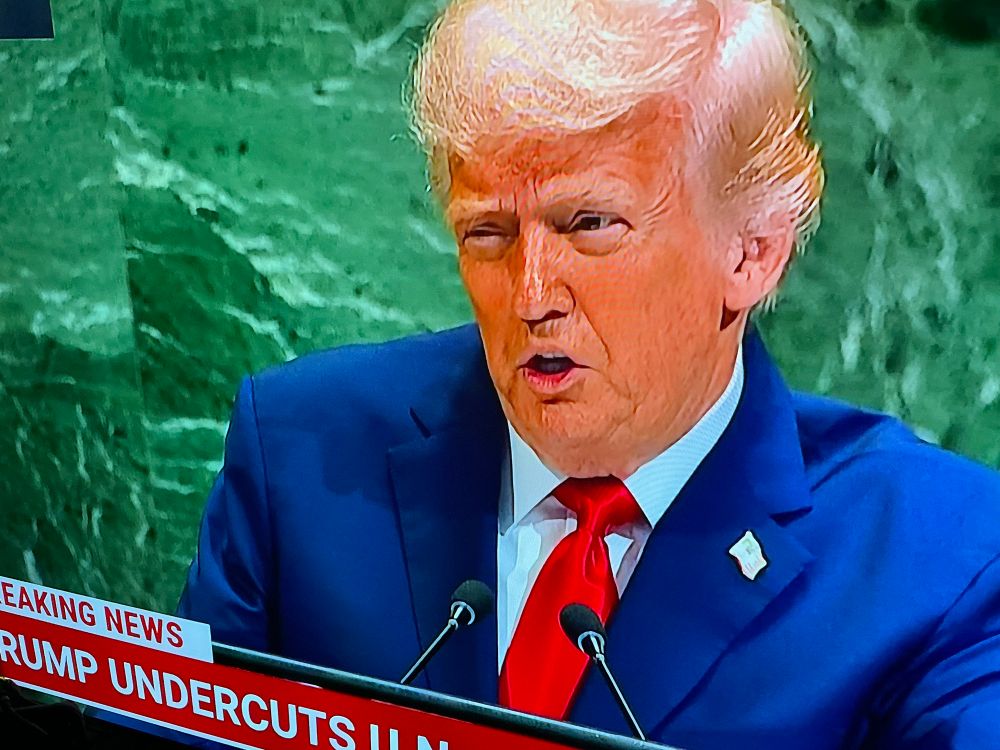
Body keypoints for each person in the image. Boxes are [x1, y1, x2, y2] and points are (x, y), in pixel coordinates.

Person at [177, 1, 1000, 747]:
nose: (531, 296)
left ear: (752, 250)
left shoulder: (939, 562)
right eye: (489, 233)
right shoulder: (302, 461)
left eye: (590, 225)